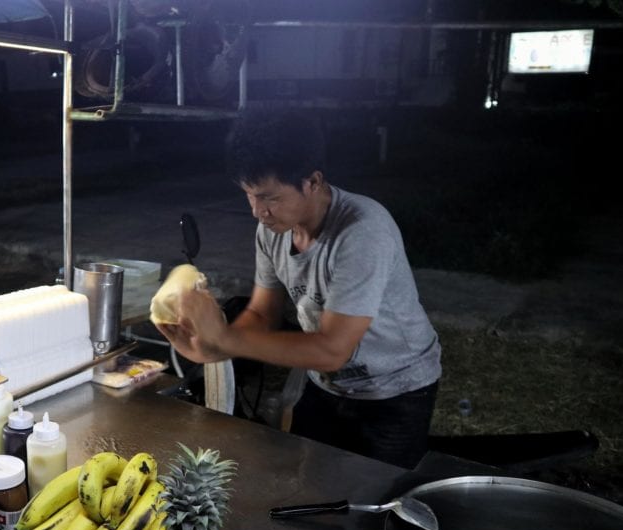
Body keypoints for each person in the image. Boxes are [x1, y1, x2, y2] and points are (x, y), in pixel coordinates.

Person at [156, 109, 442, 468]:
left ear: (313, 181)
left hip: (396, 389)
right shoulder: (271, 232)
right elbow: (261, 315)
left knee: (380, 500)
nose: (258, 211)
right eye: (249, 195)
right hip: (326, 384)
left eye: (270, 197)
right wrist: (212, 346)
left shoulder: (362, 231)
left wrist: (226, 340)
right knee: (307, 482)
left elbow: (332, 349)